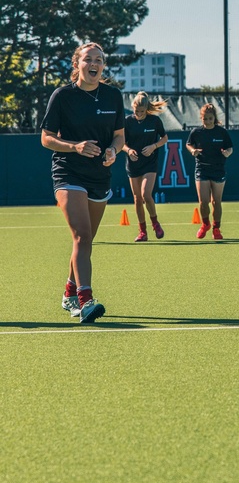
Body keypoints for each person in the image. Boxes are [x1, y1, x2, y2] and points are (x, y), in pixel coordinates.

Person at [40, 42, 125, 323]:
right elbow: (46, 138)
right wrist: (75, 146)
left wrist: (114, 149)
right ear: (77, 64)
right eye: (88, 59)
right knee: (82, 236)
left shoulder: (113, 96)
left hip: (99, 175)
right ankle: (85, 301)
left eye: (99, 60)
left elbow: (120, 136)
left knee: (85, 241)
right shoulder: (63, 96)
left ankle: (69, 292)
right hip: (68, 172)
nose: (94, 64)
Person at [123, 91, 168, 242]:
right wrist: (128, 150)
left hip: (150, 163)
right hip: (133, 164)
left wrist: (153, 146)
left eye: (142, 111)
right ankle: (143, 232)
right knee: (137, 199)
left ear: (147, 109)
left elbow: (164, 138)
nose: (139, 114)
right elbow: (120, 143)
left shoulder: (154, 121)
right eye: (136, 111)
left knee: (146, 195)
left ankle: (155, 223)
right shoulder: (127, 121)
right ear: (133, 108)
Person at [186, 103, 233, 239]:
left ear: (214, 118)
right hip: (202, 168)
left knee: (216, 202)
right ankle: (205, 223)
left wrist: (227, 153)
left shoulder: (222, 132)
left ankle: (216, 228)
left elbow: (230, 148)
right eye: (205, 119)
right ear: (202, 119)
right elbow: (188, 144)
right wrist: (193, 151)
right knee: (203, 201)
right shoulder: (196, 132)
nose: (207, 121)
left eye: (210, 119)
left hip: (218, 169)